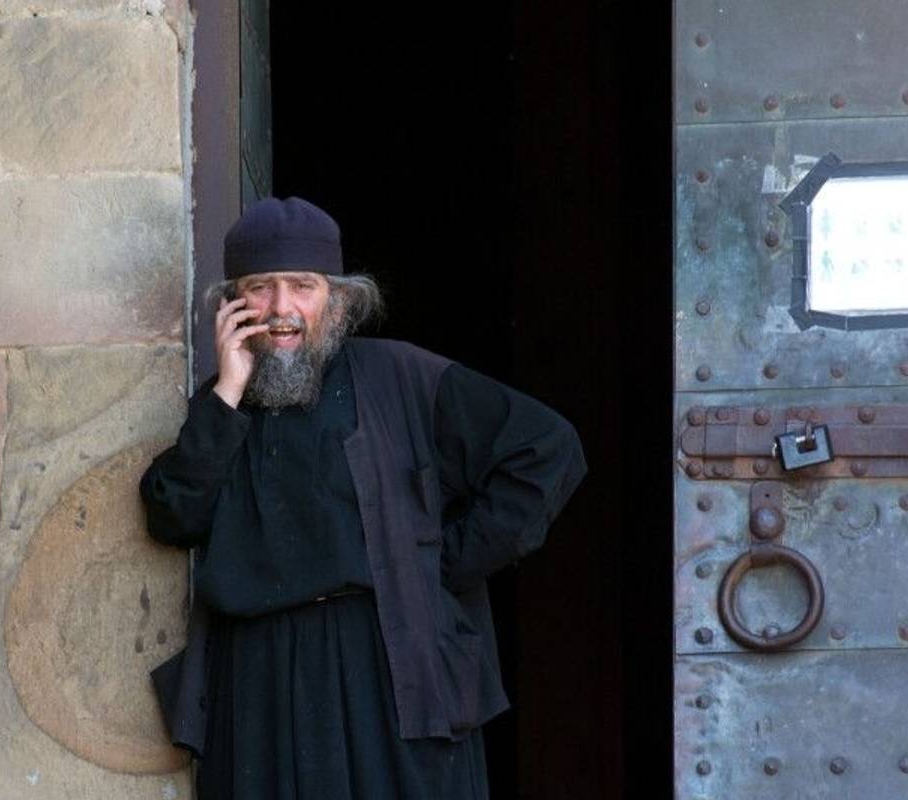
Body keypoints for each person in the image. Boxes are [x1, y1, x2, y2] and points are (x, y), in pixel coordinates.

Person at [140, 196, 585, 799]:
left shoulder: (403, 378)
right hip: (259, 682)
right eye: (259, 288)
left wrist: (440, 563)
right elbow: (173, 515)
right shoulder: (222, 405)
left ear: (340, 301)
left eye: (303, 286)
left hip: (387, 673)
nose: (281, 309)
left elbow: (547, 451)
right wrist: (225, 395)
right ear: (232, 306)